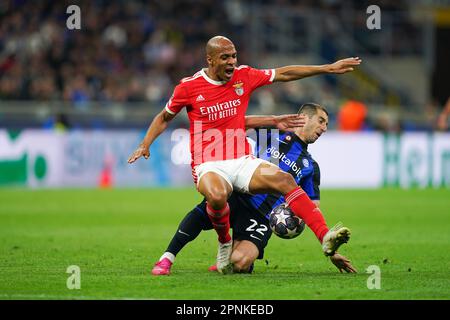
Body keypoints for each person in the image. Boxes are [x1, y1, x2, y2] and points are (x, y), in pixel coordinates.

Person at [128, 35, 361, 273]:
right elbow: (164, 117)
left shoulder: (244, 76)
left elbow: (284, 73)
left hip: (240, 161)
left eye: (234, 56)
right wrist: (145, 144)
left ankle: (325, 237)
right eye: (225, 57)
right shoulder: (188, 87)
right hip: (208, 163)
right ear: (210, 59)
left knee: (285, 180)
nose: (232, 62)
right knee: (217, 196)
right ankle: (221, 242)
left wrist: (327, 68)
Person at [152, 103, 356, 275]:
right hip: (240, 194)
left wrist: (332, 251)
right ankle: (167, 258)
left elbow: (312, 207)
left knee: (238, 264)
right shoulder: (270, 134)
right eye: (321, 121)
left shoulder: (311, 166)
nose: (325, 128)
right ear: (304, 118)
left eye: (327, 124)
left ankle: (234, 253)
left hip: (262, 217)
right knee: (206, 208)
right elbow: (238, 123)